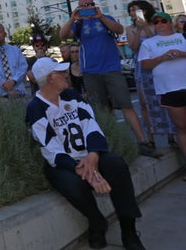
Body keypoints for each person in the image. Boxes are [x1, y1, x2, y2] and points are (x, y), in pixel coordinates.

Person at [25, 58, 146, 250]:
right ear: (50, 79)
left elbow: (91, 125)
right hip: (63, 163)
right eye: (61, 73)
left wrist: (93, 156)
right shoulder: (36, 108)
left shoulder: (72, 96)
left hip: (89, 154)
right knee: (72, 184)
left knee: (116, 164)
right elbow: (50, 147)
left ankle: (129, 231)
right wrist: (79, 169)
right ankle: (97, 223)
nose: (66, 75)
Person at [60, 0, 158, 158]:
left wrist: (100, 16)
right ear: (78, 8)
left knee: (126, 105)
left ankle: (142, 142)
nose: (87, 8)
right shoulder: (79, 24)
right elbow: (63, 35)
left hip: (111, 68)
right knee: (102, 109)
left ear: (94, 5)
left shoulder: (106, 19)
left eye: (90, 4)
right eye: (83, 6)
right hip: (91, 71)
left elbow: (119, 29)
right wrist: (73, 18)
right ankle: (111, 142)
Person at [138, 11, 186, 175]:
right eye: (156, 22)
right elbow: (145, 65)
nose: (159, 24)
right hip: (168, 89)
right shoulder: (149, 44)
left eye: (163, 21)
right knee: (181, 128)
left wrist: (181, 54)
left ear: (170, 23)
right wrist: (162, 58)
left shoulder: (182, 38)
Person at [125, 0, 172, 154]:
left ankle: (171, 136)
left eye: (136, 10)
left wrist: (146, 27)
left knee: (164, 100)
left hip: (158, 65)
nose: (133, 13)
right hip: (141, 66)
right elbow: (133, 47)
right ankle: (151, 137)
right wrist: (139, 30)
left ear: (145, 11)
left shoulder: (155, 25)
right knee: (145, 103)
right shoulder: (130, 29)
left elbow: (157, 43)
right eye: (131, 10)